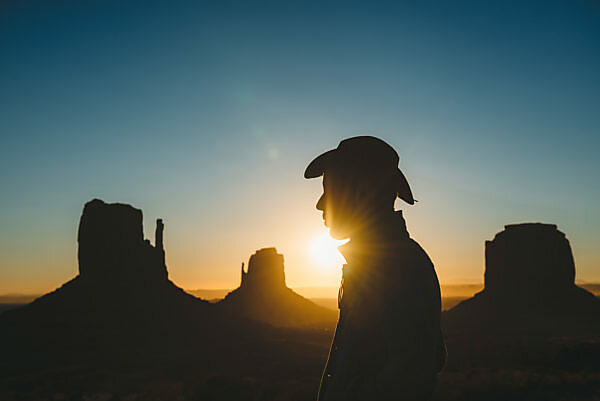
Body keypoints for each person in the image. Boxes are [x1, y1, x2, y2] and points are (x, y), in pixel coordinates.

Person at [304, 136, 446, 401]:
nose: (320, 204)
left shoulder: (397, 267)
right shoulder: (378, 263)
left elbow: (411, 378)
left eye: (329, 190)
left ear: (361, 192)